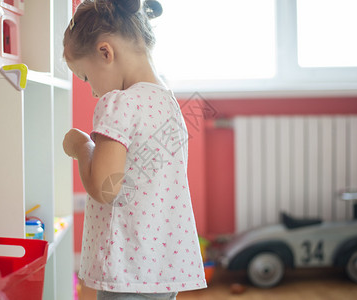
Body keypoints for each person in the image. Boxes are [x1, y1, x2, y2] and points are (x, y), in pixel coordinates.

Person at [62, 0, 207, 299]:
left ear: (105, 52)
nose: (91, 90)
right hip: (162, 268)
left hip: (126, 269)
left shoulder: (119, 103)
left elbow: (104, 187)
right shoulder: (168, 103)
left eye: (87, 77)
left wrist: (81, 145)